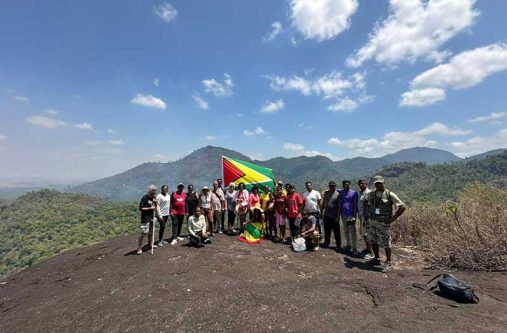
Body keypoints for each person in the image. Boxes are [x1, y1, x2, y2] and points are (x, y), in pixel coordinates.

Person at [364, 176, 406, 272]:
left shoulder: (389, 194)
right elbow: (366, 202)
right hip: (372, 222)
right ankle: (376, 258)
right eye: (376, 183)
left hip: (383, 223)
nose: (378, 185)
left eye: (380, 183)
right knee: (373, 240)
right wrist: (367, 215)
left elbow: (402, 207)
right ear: (374, 184)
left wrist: (393, 218)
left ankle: (388, 262)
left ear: (383, 183)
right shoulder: (371, 194)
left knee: (386, 243)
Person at [137, 185, 159, 255]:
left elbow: (154, 208)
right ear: (150, 190)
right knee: (143, 233)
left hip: (152, 218)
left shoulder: (154, 197)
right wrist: (150, 208)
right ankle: (139, 247)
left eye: (155, 191)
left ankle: (150, 244)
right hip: (145, 219)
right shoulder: (145, 198)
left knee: (151, 233)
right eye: (153, 191)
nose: (154, 192)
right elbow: (140, 208)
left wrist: (155, 202)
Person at [339, 180, 359, 256]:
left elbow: (355, 204)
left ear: (349, 185)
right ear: (343, 185)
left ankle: (354, 248)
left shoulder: (354, 193)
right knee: (346, 230)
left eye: (347, 184)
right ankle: (348, 245)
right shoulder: (341, 192)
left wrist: (354, 216)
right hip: (343, 214)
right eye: (344, 185)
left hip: (351, 215)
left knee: (352, 231)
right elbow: (334, 189)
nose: (346, 186)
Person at [320, 181, 341, 251]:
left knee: (336, 231)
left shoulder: (338, 194)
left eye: (334, 186)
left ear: (335, 186)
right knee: (327, 230)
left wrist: (337, 217)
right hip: (326, 215)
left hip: (334, 216)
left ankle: (338, 245)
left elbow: (339, 206)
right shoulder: (326, 193)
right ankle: (326, 243)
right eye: (331, 186)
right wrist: (321, 212)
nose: (333, 187)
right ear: (329, 187)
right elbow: (323, 203)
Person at [357, 178, 373, 259]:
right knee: (364, 233)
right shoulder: (361, 192)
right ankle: (367, 248)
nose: (360, 185)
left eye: (362, 183)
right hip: (361, 216)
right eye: (359, 183)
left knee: (367, 234)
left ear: (366, 184)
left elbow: (369, 206)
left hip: (366, 217)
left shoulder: (368, 193)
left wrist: (366, 218)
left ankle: (370, 252)